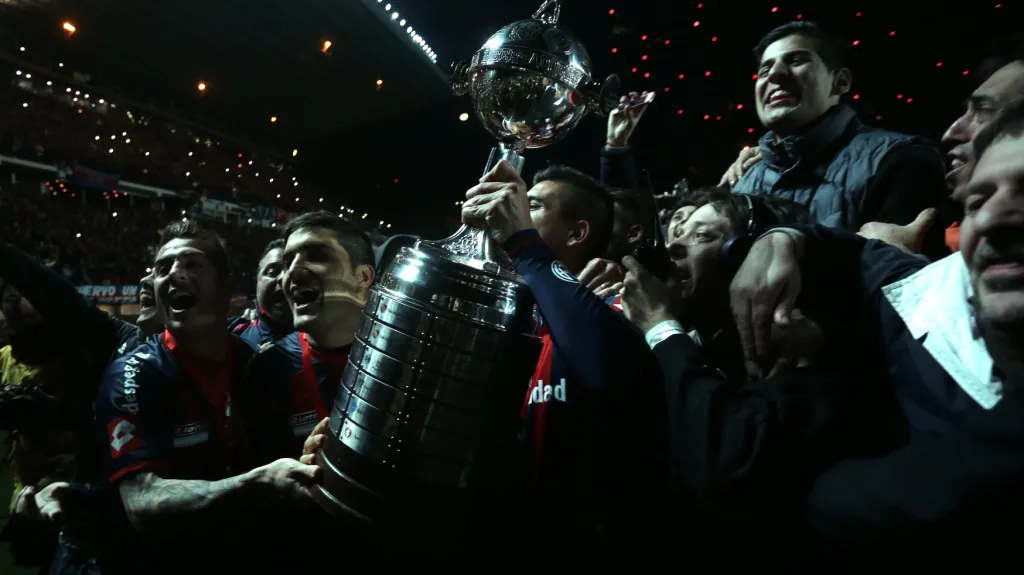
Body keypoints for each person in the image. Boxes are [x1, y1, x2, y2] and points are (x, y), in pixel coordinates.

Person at [727, 97, 1024, 561]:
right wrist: (781, 239)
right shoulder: (926, 291)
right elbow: (853, 253)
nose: (991, 219)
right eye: (978, 200)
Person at [618, 190, 897, 564]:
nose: (674, 248)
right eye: (678, 233)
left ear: (750, 258)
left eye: (702, 236)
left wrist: (662, 328)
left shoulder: (812, 351)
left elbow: (724, 464)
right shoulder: (702, 345)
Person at [459, 160, 666, 553]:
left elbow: (605, 366)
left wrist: (522, 242)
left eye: (532, 206)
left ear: (577, 233)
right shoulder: (520, 319)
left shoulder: (624, 306)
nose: (514, 207)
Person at [94, 220, 316, 573]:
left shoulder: (258, 365)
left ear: (226, 287)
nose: (174, 275)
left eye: (192, 264)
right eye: (163, 268)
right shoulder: (135, 374)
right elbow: (141, 500)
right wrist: (256, 482)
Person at [729, 21, 949, 259]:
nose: (775, 74)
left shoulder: (904, 159)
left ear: (841, 82)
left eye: (796, 61)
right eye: (764, 70)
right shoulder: (741, 181)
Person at [250, 212, 375, 447]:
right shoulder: (268, 368)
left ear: (362, 277)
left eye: (317, 256)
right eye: (288, 262)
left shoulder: (402, 355)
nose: (293, 272)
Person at [228, 239, 293, 346]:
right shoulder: (232, 334)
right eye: (272, 272)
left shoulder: (324, 343)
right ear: (256, 280)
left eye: (292, 272)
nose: (283, 278)